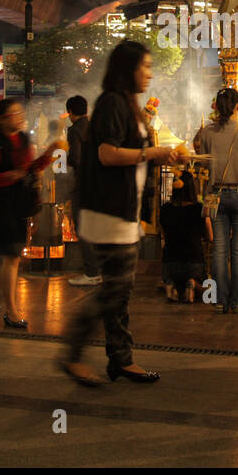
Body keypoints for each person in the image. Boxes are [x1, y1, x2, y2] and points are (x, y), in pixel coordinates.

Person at [61, 40, 179, 386]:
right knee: (114, 289)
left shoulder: (129, 104)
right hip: (109, 210)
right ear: (128, 69)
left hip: (122, 209)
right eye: (145, 66)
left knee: (120, 289)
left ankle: (121, 359)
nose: (150, 73)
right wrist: (152, 152)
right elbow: (107, 154)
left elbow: (132, 152)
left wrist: (161, 155)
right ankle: (72, 354)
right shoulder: (112, 102)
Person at [0, 99, 60, 329]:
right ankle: (11, 311)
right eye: (14, 114)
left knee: (13, 258)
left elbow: (30, 168)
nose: (20, 116)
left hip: (19, 204)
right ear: (2, 119)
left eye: (20, 112)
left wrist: (49, 154)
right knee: (12, 257)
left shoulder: (22, 140)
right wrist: (8, 176)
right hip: (0, 206)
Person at [200, 87, 238, 315]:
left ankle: (218, 300)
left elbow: (205, 165)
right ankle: (237, 301)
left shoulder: (207, 133)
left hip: (216, 195)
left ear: (216, 106)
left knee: (218, 250)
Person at [63, 95, 101, 287]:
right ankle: (100, 270)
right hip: (99, 183)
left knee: (82, 226)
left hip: (83, 185)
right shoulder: (95, 127)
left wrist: (66, 158)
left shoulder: (74, 130)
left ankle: (92, 272)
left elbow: (76, 158)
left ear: (70, 112)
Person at [160, 176, 208, 302]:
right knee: (209, 291)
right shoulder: (199, 208)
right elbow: (210, 236)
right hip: (194, 264)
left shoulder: (165, 208)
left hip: (169, 265)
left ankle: (170, 284)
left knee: (176, 282)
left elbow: (164, 236)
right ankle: (193, 283)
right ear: (192, 188)